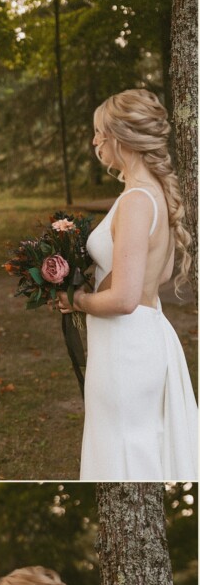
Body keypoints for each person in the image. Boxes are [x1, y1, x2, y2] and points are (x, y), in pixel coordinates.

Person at [57, 89, 198, 479]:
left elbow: (124, 300)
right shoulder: (153, 192)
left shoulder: (137, 200)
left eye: (100, 132)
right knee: (136, 442)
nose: (95, 141)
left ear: (121, 137)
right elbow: (161, 274)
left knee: (123, 448)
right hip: (146, 336)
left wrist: (77, 301)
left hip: (126, 349)